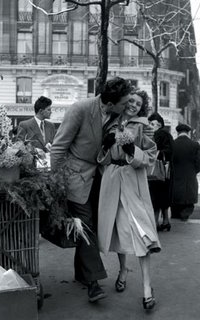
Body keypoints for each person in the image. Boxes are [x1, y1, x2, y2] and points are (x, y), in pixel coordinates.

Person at [51, 77, 134, 303]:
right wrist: (56, 183)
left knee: (93, 225)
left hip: (101, 178)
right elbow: (58, 147)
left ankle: (81, 274)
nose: (128, 105)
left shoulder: (118, 116)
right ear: (110, 103)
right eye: (124, 102)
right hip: (75, 177)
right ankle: (94, 283)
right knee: (85, 225)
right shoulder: (80, 109)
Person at [97, 89, 161, 310]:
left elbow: (152, 157)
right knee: (119, 231)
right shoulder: (110, 124)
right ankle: (123, 269)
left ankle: (146, 287)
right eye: (131, 100)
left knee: (142, 234)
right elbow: (103, 160)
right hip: (112, 182)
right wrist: (105, 147)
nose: (133, 104)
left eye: (138, 103)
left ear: (142, 107)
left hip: (133, 184)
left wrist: (132, 150)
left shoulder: (145, 126)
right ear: (124, 103)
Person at [148, 112, 174, 231]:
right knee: (163, 197)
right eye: (151, 123)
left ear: (159, 125)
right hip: (166, 171)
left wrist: (156, 154)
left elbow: (157, 150)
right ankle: (165, 221)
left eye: (156, 124)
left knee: (156, 197)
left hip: (156, 171)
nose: (152, 126)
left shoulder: (159, 134)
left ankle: (155, 223)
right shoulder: (167, 134)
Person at [171, 123, 200, 221]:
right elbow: (199, 163)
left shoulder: (172, 144)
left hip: (175, 180)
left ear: (178, 132)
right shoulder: (195, 145)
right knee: (187, 206)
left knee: (175, 209)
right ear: (188, 132)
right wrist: (193, 171)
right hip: (190, 180)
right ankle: (184, 216)